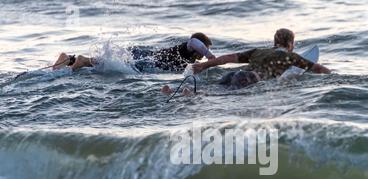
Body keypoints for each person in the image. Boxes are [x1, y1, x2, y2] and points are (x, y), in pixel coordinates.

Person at [192, 28, 330, 84]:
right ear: (289, 44)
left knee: (214, 91)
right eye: (293, 44)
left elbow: (226, 59)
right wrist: (335, 77)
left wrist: (202, 65)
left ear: (275, 42)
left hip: (234, 74)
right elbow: (319, 69)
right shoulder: (291, 57)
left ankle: (180, 92)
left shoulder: (258, 51)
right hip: (249, 80)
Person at [52, 32, 216, 72]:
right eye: (205, 49)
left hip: (145, 57)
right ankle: (82, 60)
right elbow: (194, 42)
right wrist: (211, 58)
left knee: (109, 65)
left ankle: (67, 60)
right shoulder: (186, 48)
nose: (204, 54)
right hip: (145, 59)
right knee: (115, 66)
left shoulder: (189, 60)